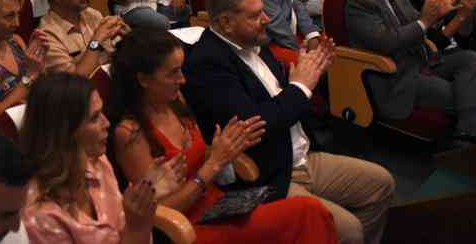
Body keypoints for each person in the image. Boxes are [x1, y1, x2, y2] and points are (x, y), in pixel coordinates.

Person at [184, 0, 394, 244]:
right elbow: (255, 125)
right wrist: (300, 88)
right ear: (226, 23)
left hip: (302, 156)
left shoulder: (254, 41)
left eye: (263, 10)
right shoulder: (207, 63)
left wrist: (312, 74)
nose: (266, 19)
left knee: (381, 183)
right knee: (349, 230)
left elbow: (285, 100)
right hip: (270, 173)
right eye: (255, 15)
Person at [109, 28, 340, 244]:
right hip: (187, 229)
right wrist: (214, 164)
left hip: (219, 207)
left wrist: (225, 147)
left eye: (181, 69)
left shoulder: (176, 102)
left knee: (310, 212)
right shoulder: (130, 134)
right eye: (173, 73)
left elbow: (200, 157)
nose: (183, 79)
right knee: (308, 212)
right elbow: (155, 213)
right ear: (144, 80)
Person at [346, 0, 476, 144]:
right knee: (467, 94)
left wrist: (439, 14)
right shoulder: (360, 2)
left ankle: (469, 132)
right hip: (396, 74)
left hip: (422, 60)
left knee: (471, 59)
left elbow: (419, 25)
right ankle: (473, 136)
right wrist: (425, 20)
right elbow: (387, 42)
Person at [20, 71, 161, 244]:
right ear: (65, 133)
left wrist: (145, 200)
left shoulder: (97, 161)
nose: (107, 123)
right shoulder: (40, 215)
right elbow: (132, 230)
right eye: (94, 118)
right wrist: (137, 226)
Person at [36, 0, 127, 76]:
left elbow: (114, 54)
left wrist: (127, 37)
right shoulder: (46, 36)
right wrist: (95, 41)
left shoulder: (92, 14)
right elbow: (75, 81)